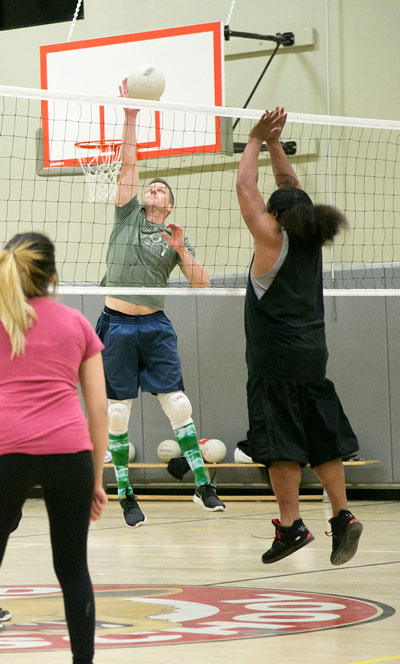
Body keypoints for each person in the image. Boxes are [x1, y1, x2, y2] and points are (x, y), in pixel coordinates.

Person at [236, 107, 363, 566]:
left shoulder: (272, 240)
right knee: (322, 437)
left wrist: (252, 138)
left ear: (274, 218)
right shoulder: (309, 239)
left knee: (281, 445)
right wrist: (275, 145)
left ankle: (291, 526)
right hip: (314, 356)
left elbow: (245, 187)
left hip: (276, 361)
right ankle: (343, 515)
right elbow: (291, 191)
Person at [96, 78, 225, 527]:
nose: (154, 190)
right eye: (150, 187)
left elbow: (203, 285)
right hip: (116, 324)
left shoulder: (172, 238)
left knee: (179, 407)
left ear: (169, 206)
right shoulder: (127, 214)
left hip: (154, 326)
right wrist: (131, 114)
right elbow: (130, 163)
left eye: (162, 190)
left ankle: (203, 486)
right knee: (117, 412)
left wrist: (182, 249)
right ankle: (127, 495)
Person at [0, 232, 108, 663]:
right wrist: (96, 480)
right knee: (73, 569)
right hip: (70, 453)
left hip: (7, 450)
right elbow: (98, 408)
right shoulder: (76, 323)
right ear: (54, 277)